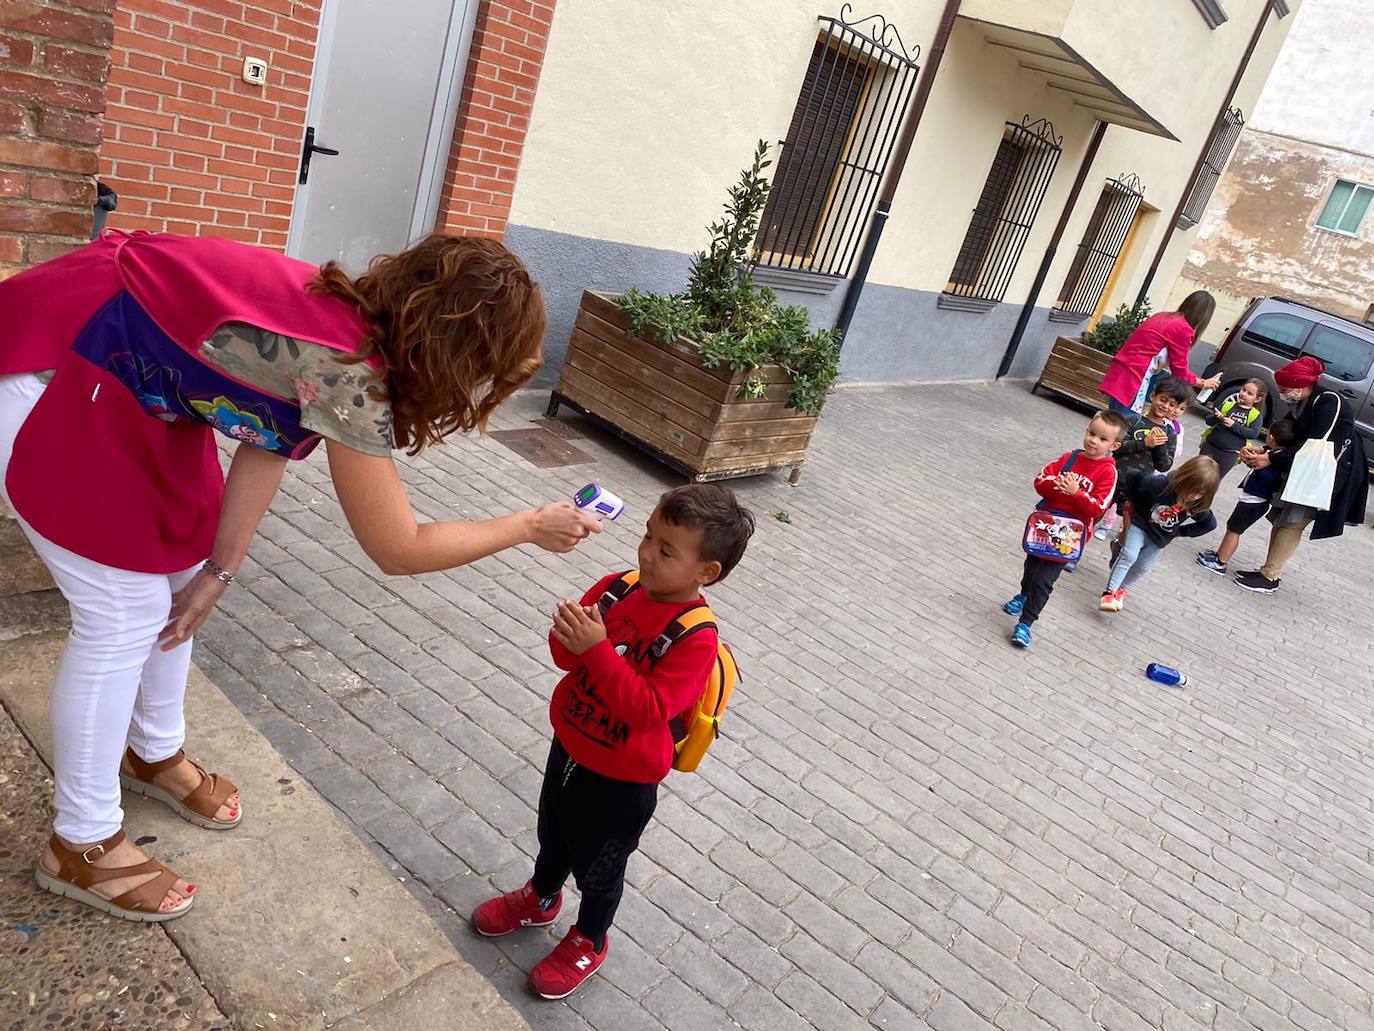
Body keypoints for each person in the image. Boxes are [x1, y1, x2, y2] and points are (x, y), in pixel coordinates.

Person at [0, 231, 602, 922]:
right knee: (122, 615)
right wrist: (526, 525)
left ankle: (151, 752)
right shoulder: (350, 373)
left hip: (126, 370)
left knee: (177, 574)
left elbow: (267, 436)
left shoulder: (345, 317)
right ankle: (81, 841)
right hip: (52, 360)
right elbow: (398, 546)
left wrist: (219, 571)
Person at [470, 484, 755, 999]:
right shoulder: (618, 588)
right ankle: (541, 897)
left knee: (600, 868)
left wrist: (597, 650)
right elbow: (568, 658)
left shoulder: (696, 636)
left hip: (623, 781)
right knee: (553, 834)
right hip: (570, 749)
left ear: (705, 572)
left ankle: (589, 938)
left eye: (666, 550)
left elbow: (648, 711)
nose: (646, 552)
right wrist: (568, 636)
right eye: (648, 536)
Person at [1232, 356, 1369, 593]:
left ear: (1302, 385)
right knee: (1283, 518)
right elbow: (1285, 438)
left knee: (1293, 522)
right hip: (1308, 469)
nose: (1282, 393)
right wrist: (1265, 451)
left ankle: (1270, 577)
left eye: (1285, 388)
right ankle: (1267, 571)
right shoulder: (1301, 403)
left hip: (1328, 474)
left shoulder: (1328, 402)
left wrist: (1269, 458)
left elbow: (1313, 444)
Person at [1002, 410, 1128, 649]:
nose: (1093, 441)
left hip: (1070, 535)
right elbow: (1041, 480)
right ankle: (1023, 595)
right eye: (1092, 433)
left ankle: (1026, 623)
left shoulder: (1108, 472)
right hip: (1044, 526)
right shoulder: (1069, 458)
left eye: (1102, 439)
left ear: (1115, 445)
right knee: (1032, 567)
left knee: (1045, 579)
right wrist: (1057, 486)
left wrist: (1077, 494)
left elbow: (1098, 507)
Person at [1099, 457, 1220, 611]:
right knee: (1129, 556)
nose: (1192, 496)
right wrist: (1131, 502)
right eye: (1190, 489)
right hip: (1140, 525)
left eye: (1199, 494)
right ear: (1183, 478)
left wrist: (1180, 532)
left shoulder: (1195, 505)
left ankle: (1120, 589)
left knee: (1141, 566)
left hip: (1160, 539)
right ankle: (1109, 593)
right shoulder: (1160, 485)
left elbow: (1209, 524)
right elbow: (1132, 477)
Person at [1094, 376, 1190, 540]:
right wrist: (1144, 443)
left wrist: (1159, 446)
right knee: (1095, 514)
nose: (1165, 406)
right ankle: (1073, 553)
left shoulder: (1170, 434)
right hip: (1113, 478)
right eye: (1163, 399)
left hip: (1138, 487)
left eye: (1171, 404)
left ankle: (1119, 557)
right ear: (1153, 396)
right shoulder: (1133, 421)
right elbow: (1116, 447)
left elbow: (1164, 466)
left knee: (1128, 530)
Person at [1197, 420, 1296, 576]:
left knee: (1234, 530)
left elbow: (1270, 478)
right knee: (1232, 527)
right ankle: (1219, 554)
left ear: (1271, 437)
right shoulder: (1272, 453)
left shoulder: (1277, 458)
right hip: (1251, 499)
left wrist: (1255, 463)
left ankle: (1221, 562)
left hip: (1255, 501)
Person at [1098, 291, 1221, 416]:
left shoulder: (1162, 316)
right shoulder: (1183, 329)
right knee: (1124, 424)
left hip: (1121, 370)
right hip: (1135, 377)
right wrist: (1203, 383)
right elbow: (1180, 371)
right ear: (1204, 316)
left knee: (1113, 420)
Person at [1198, 378, 1266, 484]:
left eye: (1249, 393)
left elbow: (1253, 433)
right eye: (1243, 390)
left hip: (1229, 454)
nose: (1244, 394)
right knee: (1197, 474)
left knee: (1212, 482)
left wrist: (1234, 425)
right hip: (1210, 446)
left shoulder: (1255, 415)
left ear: (1257, 399)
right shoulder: (1228, 405)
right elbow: (1209, 421)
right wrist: (1217, 417)